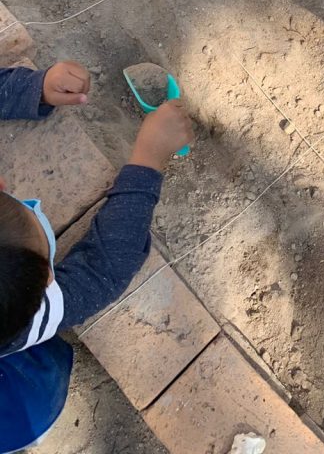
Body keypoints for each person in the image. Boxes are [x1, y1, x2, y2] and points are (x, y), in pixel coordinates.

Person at [0, 60, 193, 453]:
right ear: (46, 285)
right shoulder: (23, 321)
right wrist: (148, 160)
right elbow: (106, 267)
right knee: (24, 411)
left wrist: (34, 88)